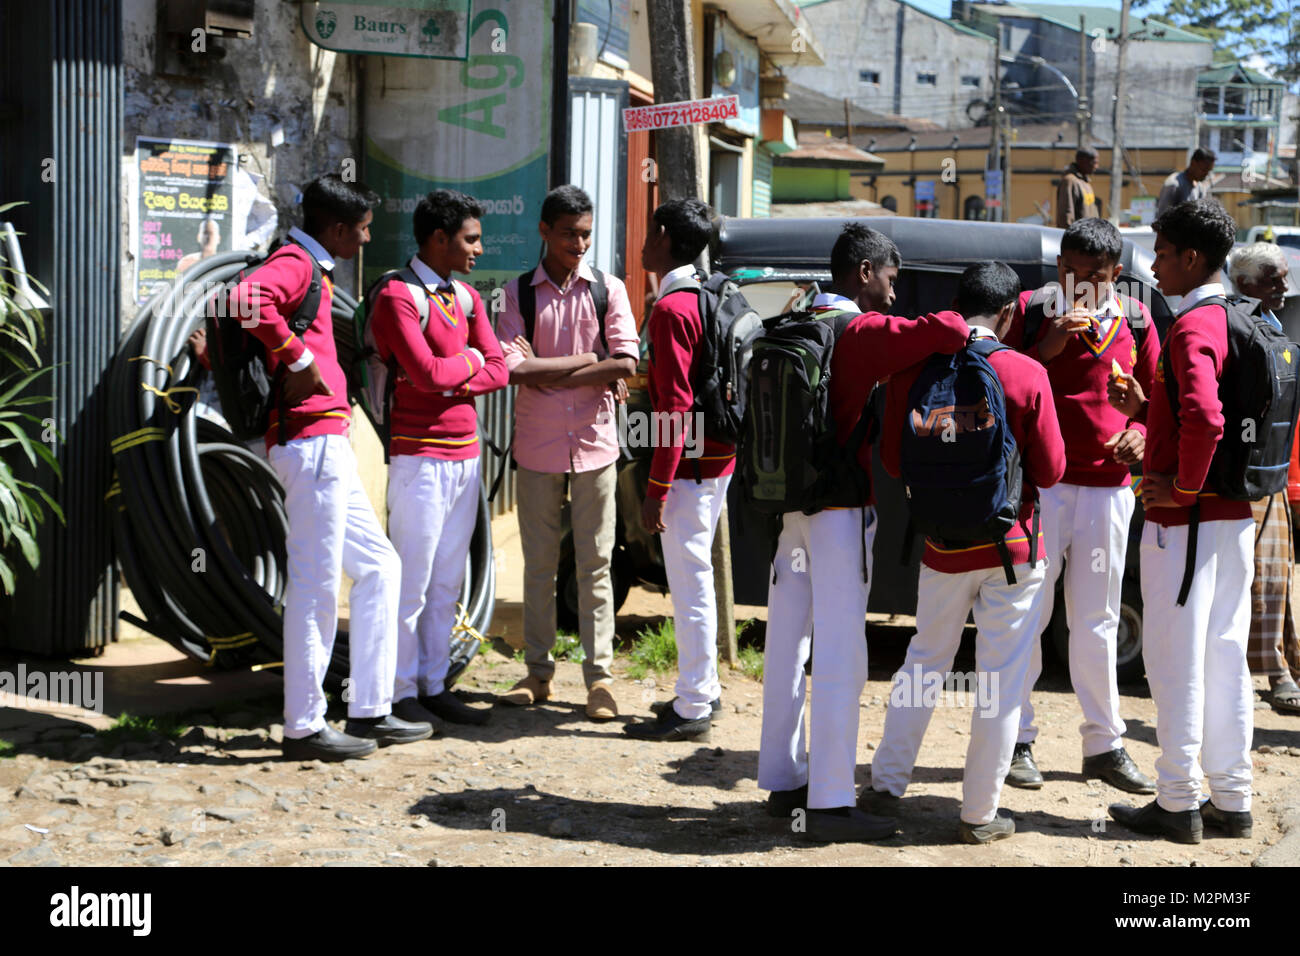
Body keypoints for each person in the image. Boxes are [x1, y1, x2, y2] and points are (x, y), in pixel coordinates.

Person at [756, 223, 971, 842]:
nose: (894, 294)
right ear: (864, 271)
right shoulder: (860, 330)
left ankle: (784, 780)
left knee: (786, 645)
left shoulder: (793, 322)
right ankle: (828, 801)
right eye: (890, 278)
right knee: (843, 653)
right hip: (841, 509)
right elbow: (952, 329)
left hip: (789, 507)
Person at [231, 173, 432, 761]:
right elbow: (248, 299)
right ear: (339, 229)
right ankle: (304, 726)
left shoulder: (311, 266)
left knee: (379, 568)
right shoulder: (296, 261)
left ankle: (370, 709)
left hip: (327, 442)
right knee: (317, 588)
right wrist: (295, 357)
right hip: (310, 444)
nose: (368, 239)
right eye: (364, 229)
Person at [864, 262, 1066, 845]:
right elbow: (1051, 471)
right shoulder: (1026, 372)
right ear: (1009, 313)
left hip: (941, 547)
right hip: (1011, 549)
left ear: (959, 303)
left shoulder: (916, 369)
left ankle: (886, 783)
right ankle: (980, 813)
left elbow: (897, 464)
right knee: (999, 679)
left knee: (924, 660)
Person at [1107, 198, 1254, 843]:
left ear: (1192, 258)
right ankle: (1232, 797)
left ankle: (1175, 801)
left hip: (1187, 524)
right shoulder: (1241, 316)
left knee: (1173, 661)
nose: (1156, 266)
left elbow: (1208, 418)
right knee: (1224, 658)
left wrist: (1182, 490)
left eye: (1162, 254)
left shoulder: (1193, 326)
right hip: (1234, 518)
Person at [1001, 217, 1161, 794]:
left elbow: (1153, 405)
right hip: (1044, 486)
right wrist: (1045, 349)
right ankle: (1017, 739)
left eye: (1093, 275)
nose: (1078, 284)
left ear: (1117, 275)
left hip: (1110, 489)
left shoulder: (1138, 320)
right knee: (1029, 613)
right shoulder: (1028, 311)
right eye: (1068, 271)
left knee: (1097, 620)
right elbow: (999, 384)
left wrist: (1141, 426)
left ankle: (1104, 743)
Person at [496, 185, 639, 719]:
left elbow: (625, 362)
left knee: (596, 565)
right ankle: (538, 672)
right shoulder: (517, 295)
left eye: (585, 234)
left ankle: (599, 680)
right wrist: (588, 363)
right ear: (544, 231)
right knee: (538, 564)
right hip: (536, 446)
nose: (578, 244)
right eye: (568, 234)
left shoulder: (609, 289)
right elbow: (513, 368)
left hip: (596, 444)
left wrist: (549, 371)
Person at [369, 189, 508, 730]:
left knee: (448, 580)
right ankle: (398, 691)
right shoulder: (397, 296)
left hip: (464, 456)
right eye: (470, 240)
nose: (478, 249)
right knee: (410, 581)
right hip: (418, 457)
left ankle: (432, 684)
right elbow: (426, 374)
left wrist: (459, 367)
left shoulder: (465, 298)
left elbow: (500, 370)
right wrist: (468, 363)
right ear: (438, 239)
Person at [625, 198, 729, 742]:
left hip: (687, 467)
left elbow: (674, 409)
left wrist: (655, 489)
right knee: (698, 580)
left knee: (689, 586)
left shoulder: (671, 309)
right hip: (717, 460)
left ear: (663, 235)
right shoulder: (710, 292)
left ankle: (693, 706)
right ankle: (703, 688)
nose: (642, 240)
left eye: (648, 231)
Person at [1228, 242, 1300, 716]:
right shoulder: (1236, 326)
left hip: (1274, 471)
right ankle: (1269, 672)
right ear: (1247, 283)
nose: (1285, 287)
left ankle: (1280, 670)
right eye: (1275, 278)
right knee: (1244, 578)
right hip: (1240, 475)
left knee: (1275, 575)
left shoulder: (1272, 325)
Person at [1155, 148, 1216, 219]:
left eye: (1209, 171)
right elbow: (1162, 219)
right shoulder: (1174, 185)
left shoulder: (1200, 188)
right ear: (1193, 163)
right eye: (1204, 170)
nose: (1206, 174)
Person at [1056, 147, 1101, 228]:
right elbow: (1066, 217)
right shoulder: (1070, 181)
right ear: (1082, 161)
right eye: (1094, 162)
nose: (1096, 166)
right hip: (1077, 239)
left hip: (1089, 237)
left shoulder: (1086, 183)